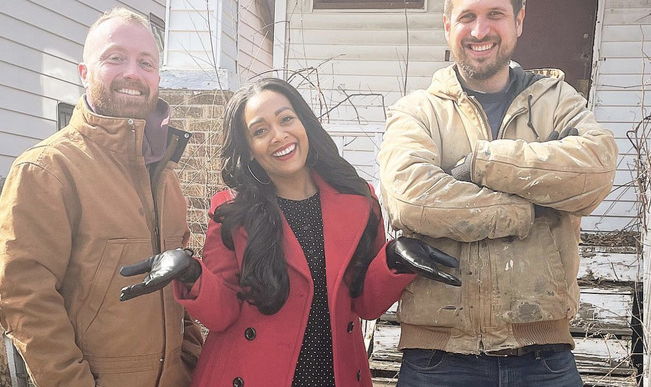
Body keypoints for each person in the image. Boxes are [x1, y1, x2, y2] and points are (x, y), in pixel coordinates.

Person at [118, 77, 461, 387]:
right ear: (249, 148)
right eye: (260, 130)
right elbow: (221, 314)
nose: (279, 136)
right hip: (250, 374)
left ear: (304, 123)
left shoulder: (359, 201)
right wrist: (192, 273)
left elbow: (365, 303)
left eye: (285, 119)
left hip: (334, 375)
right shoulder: (232, 210)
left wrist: (393, 261)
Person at [377, 0, 618, 387]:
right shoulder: (418, 112)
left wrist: (484, 163)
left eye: (495, 14)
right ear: (447, 24)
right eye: (467, 16)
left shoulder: (556, 101)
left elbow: (595, 173)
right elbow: (410, 197)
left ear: (519, 20)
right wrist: (524, 211)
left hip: (542, 359)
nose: (480, 30)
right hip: (439, 358)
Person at [0, 7, 203, 387]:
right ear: (84, 73)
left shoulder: (164, 174)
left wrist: (192, 361)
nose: (133, 73)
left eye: (146, 62)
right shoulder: (46, 170)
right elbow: (24, 297)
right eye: (115, 58)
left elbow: (179, 290)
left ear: (157, 77)